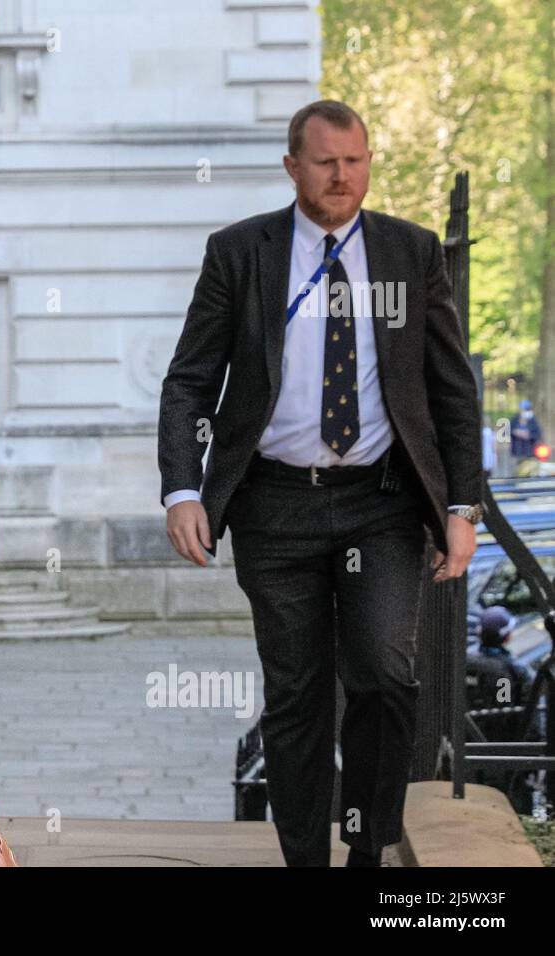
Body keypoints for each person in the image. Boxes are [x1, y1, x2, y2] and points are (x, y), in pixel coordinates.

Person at [158, 100, 484, 866]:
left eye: (358, 159)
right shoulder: (242, 253)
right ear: (293, 166)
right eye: (329, 160)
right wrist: (183, 490)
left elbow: (452, 389)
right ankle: (306, 857)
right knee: (298, 693)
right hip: (275, 505)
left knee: (381, 672)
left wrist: (462, 506)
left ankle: (366, 847)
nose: (345, 175)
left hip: (381, 503)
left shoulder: (411, 252)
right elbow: (190, 380)